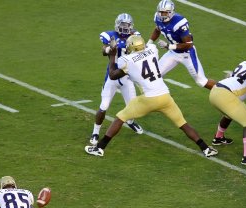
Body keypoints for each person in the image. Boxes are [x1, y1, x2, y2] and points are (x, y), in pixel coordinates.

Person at [84, 35, 218, 158]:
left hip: (148, 98)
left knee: (120, 118)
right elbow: (148, 50)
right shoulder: (153, 50)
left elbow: (113, 75)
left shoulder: (127, 60)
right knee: (183, 124)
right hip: (165, 96)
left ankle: (100, 148)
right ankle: (206, 148)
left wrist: (112, 56)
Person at [89, 13, 143, 145]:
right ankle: (95, 132)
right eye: (122, 25)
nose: (125, 28)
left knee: (133, 105)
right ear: (117, 25)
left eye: (127, 25)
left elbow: (140, 49)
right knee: (103, 106)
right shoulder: (109, 35)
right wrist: (109, 48)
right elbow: (103, 51)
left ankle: (130, 121)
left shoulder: (135, 35)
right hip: (112, 76)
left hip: (126, 77)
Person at [209, 50, 246, 165]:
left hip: (215, 90)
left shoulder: (245, 63)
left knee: (229, 113)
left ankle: (218, 137)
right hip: (226, 94)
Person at [147, 0, 215, 90]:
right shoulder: (157, 18)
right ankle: (158, 98)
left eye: (165, 13)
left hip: (187, 54)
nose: (162, 15)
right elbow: (157, 29)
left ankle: (226, 90)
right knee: (154, 76)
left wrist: (168, 46)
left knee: (201, 81)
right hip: (173, 53)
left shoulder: (180, 22)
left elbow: (189, 44)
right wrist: (149, 43)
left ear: (171, 12)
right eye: (161, 12)